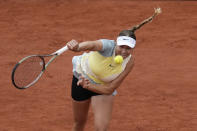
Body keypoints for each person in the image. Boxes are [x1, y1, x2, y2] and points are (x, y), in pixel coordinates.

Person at [67, 8, 161, 131]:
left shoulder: (130, 62)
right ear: (116, 43)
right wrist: (78, 47)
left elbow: (110, 89)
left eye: (128, 48)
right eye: (122, 46)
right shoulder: (106, 46)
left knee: (102, 128)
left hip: (100, 88)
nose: (124, 51)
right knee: (79, 122)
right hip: (81, 78)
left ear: (133, 48)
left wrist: (88, 86)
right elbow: (92, 44)